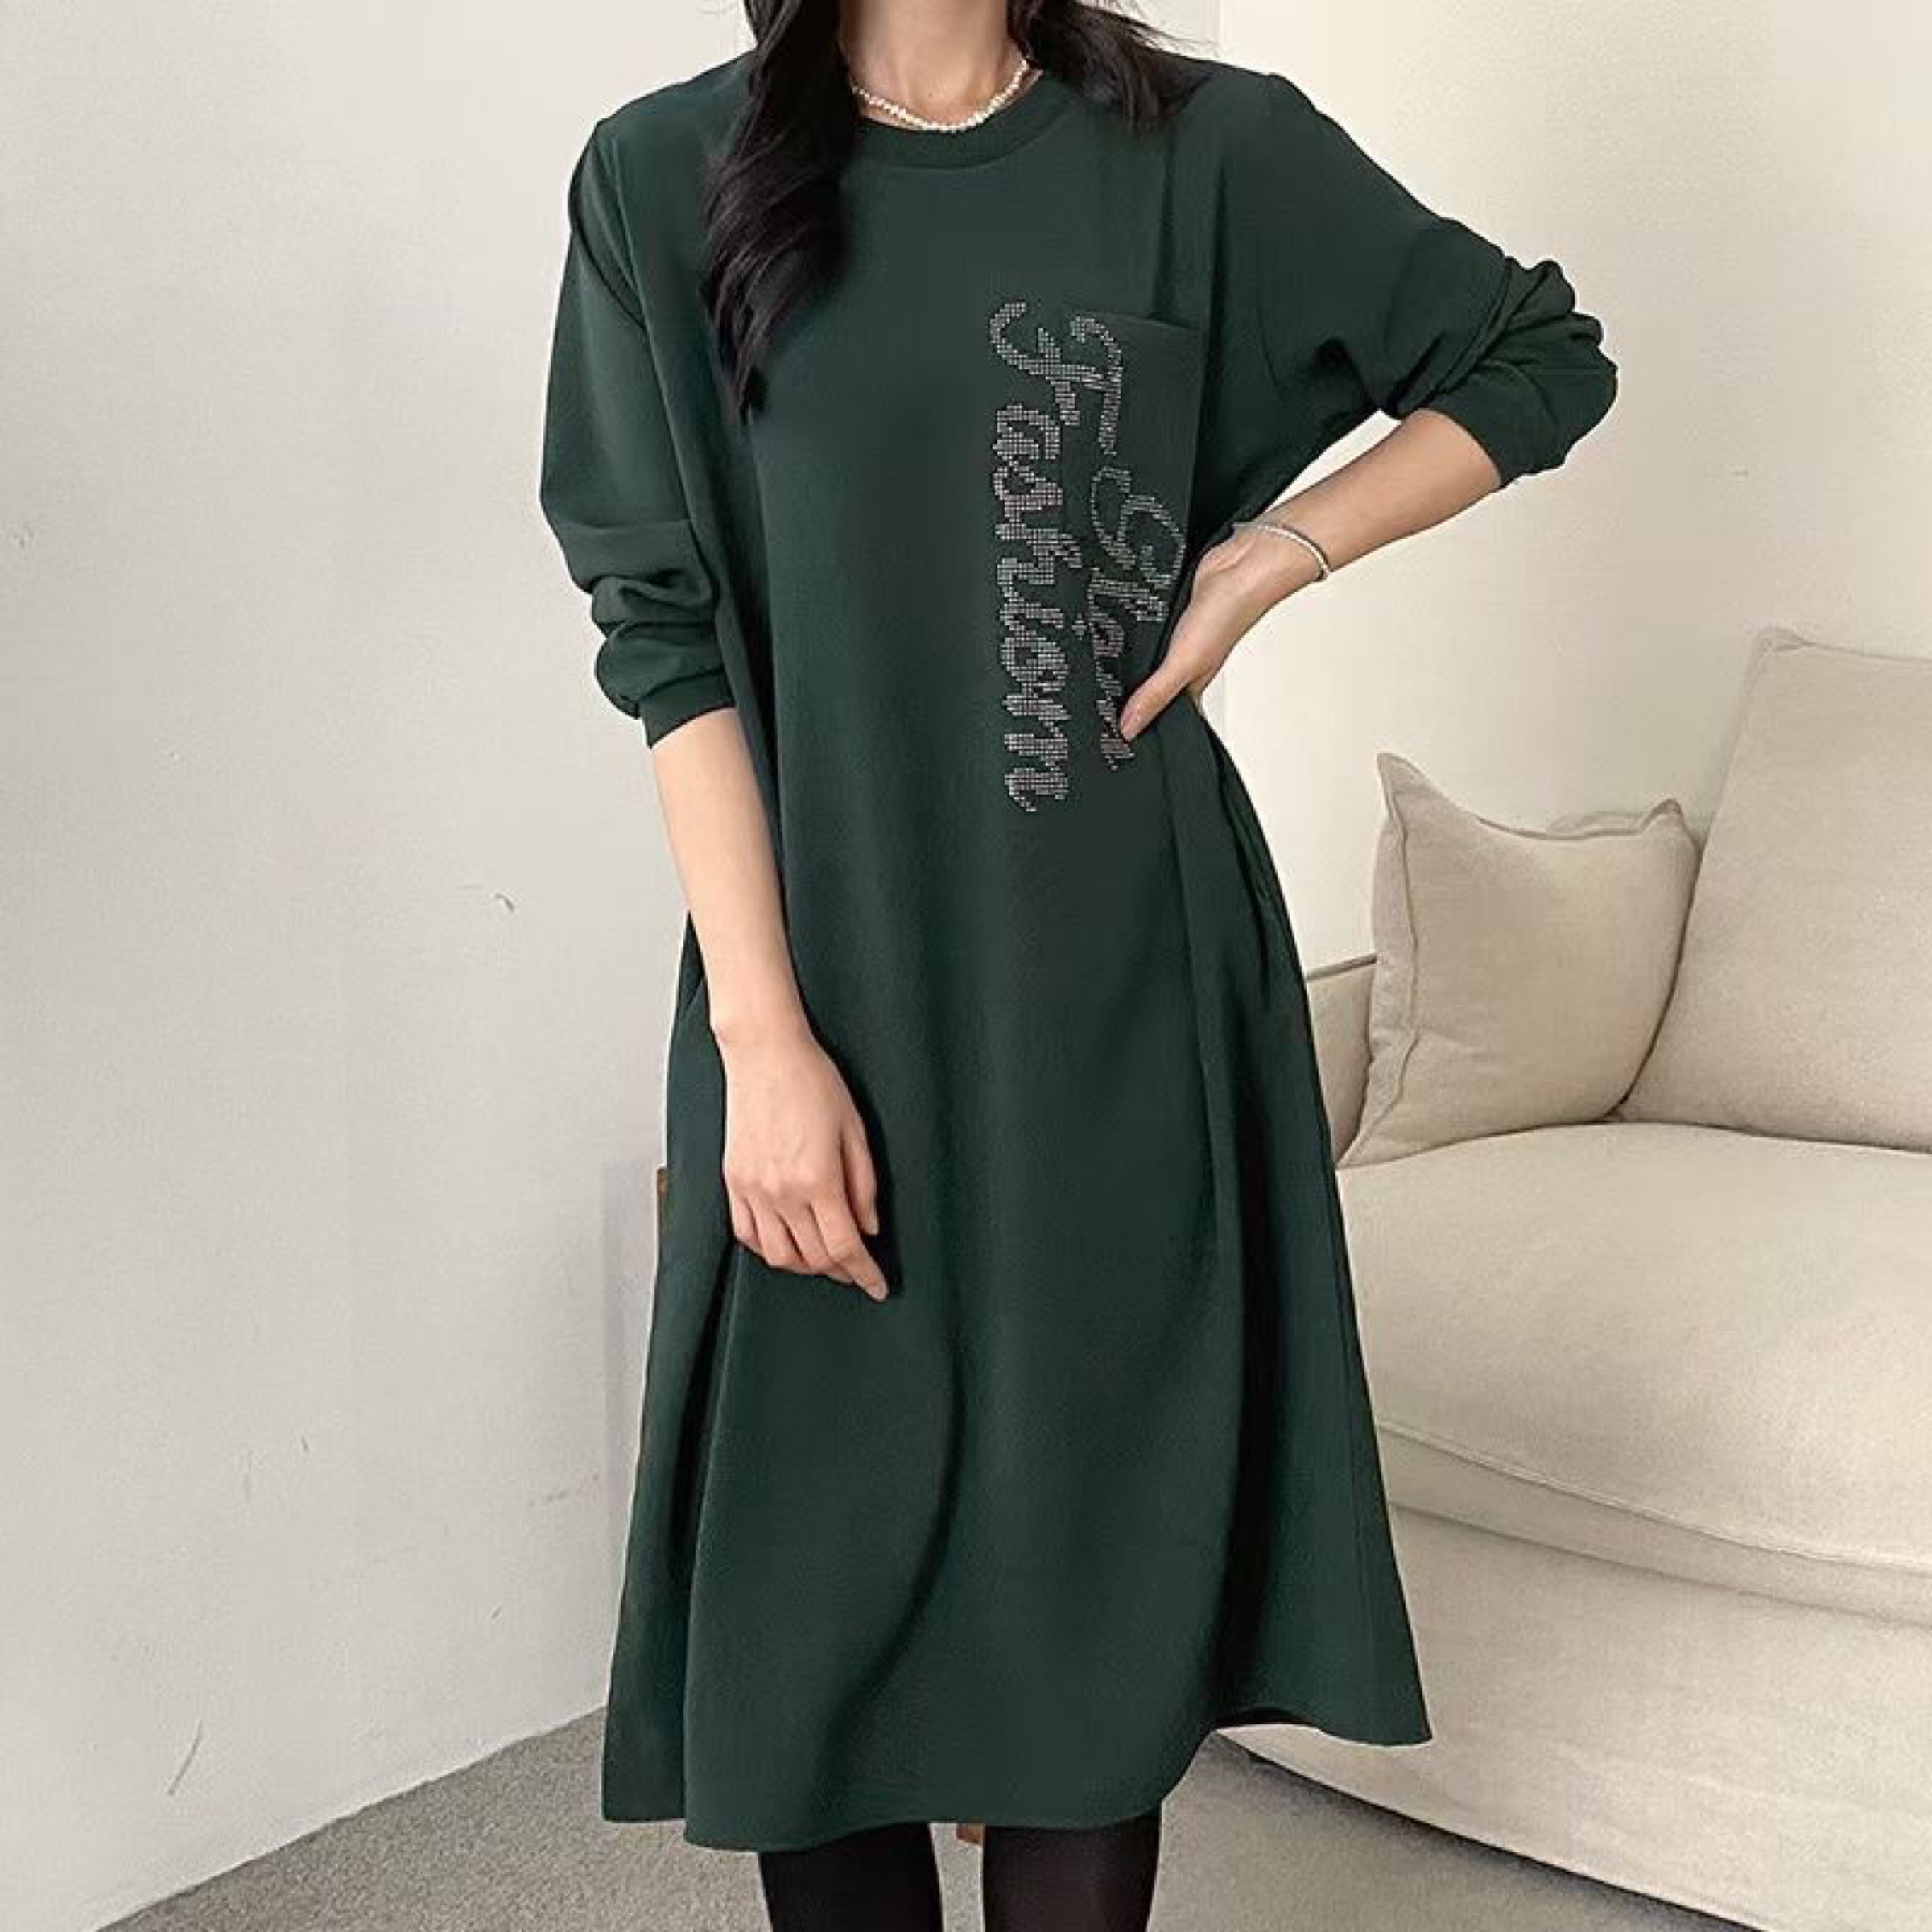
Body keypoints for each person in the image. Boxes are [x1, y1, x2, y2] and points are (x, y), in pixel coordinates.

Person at [539, 2, 1617, 1926]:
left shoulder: (1207, 150)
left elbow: (1540, 354)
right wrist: (762, 1041)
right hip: (817, 990)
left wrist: (1275, 552)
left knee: (1083, 1624)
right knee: (807, 1617)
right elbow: (666, 636)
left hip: (1120, 994)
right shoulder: (660, 175)